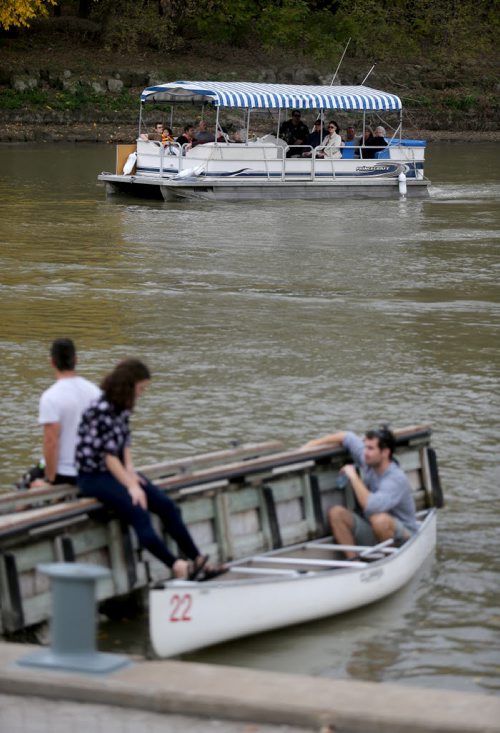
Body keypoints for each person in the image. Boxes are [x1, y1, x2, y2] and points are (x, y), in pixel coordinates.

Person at [76, 358, 223, 580]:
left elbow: (124, 445)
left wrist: (132, 472)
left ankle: (197, 558)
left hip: (118, 472)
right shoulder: (101, 409)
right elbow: (108, 458)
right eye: (141, 388)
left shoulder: (121, 407)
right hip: (94, 476)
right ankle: (176, 565)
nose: (142, 393)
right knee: (138, 510)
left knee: (165, 505)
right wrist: (132, 486)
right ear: (129, 384)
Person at [303, 427, 417, 559]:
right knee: (336, 513)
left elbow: (370, 505)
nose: (365, 453)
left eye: (370, 449)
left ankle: (390, 560)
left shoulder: (396, 478)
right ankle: (353, 561)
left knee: (379, 520)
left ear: (385, 452)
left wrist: (353, 475)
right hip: (373, 529)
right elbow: (346, 436)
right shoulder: (368, 459)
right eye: (365, 447)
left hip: (404, 537)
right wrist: (310, 445)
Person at [38, 338, 100, 486]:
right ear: (76, 360)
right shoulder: (95, 391)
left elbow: (51, 442)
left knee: (24, 490)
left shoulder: (50, 397)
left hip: (65, 473)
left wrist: (50, 480)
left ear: (52, 362)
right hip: (91, 470)